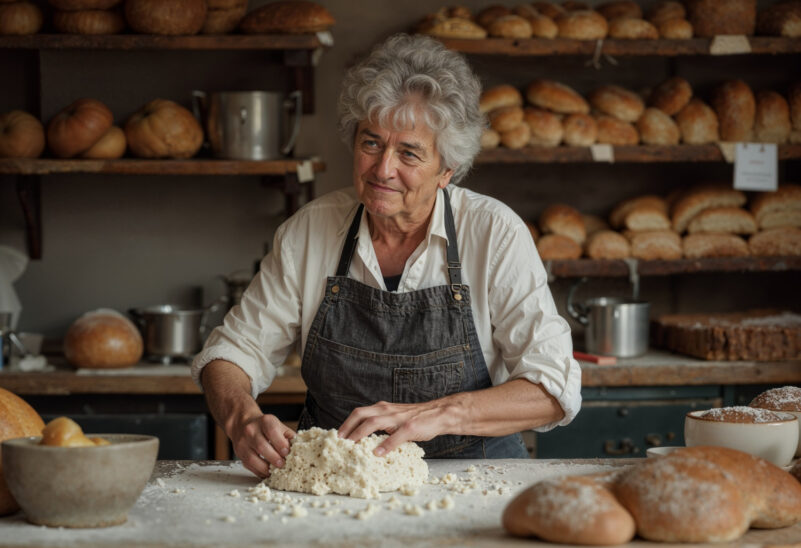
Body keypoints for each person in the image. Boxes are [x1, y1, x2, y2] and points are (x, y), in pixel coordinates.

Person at [192, 33, 581, 478]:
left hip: (476, 476)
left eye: (409, 153)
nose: (382, 170)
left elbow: (553, 386)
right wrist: (241, 417)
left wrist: (439, 414)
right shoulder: (310, 230)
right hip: (338, 480)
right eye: (371, 143)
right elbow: (232, 351)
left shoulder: (494, 233)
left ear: (447, 170)